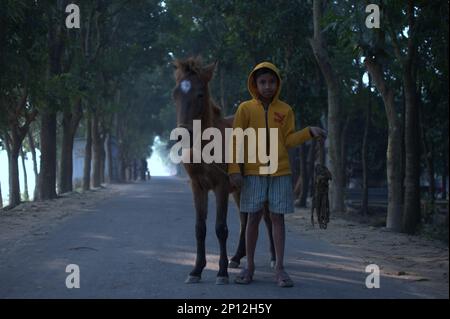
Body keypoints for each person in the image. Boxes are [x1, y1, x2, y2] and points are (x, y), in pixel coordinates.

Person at [228, 62, 326, 287]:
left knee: (277, 218)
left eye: (271, 82)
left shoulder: (285, 110)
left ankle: (280, 268)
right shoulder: (245, 109)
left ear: (277, 84)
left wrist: (308, 132)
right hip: (253, 173)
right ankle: (249, 266)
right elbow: (236, 141)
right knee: (252, 219)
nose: (267, 86)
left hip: (280, 172)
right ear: (255, 84)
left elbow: (288, 140)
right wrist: (234, 170)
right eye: (262, 82)